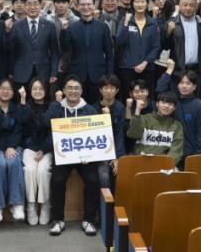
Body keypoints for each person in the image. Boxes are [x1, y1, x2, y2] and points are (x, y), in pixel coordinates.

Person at [45, 75, 99, 237]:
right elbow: (43, 124)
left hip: (85, 157)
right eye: (70, 88)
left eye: (76, 88)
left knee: (92, 180)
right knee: (57, 180)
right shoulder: (56, 107)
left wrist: (91, 154)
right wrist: (55, 104)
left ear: (81, 91)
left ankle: (88, 220)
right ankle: (58, 220)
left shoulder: (90, 110)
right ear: (64, 90)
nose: (73, 91)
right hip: (63, 156)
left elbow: (97, 135)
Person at [60, 0, 114, 105]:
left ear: (94, 6)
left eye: (89, 4)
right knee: (78, 106)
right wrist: (63, 31)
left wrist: (108, 75)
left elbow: (109, 53)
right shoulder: (71, 28)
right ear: (77, 7)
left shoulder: (103, 27)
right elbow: (65, 49)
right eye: (83, 4)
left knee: (98, 107)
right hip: (77, 75)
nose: (86, 7)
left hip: (99, 75)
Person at [0, 79, 25, 222]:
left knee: (14, 162)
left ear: (13, 92)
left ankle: (17, 204)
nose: (5, 91)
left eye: (9, 89)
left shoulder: (16, 108)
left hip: (13, 146)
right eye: (2, 88)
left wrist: (11, 146)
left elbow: (19, 129)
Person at [157, 59, 201, 162]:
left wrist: (195, 159)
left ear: (194, 87)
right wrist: (169, 70)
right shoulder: (173, 102)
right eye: (181, 83)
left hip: (190, 156)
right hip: (170, 152)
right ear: (177, 85)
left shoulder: (200, 106)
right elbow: (159, 90)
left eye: (188, 83)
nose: (184, 86)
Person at [7, 0, 59, 90]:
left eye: (35, 4)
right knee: (22, 98)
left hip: (43, 71)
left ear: (40, 6)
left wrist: (53, 72)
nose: (32, 7)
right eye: (29, 4)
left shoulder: (50, 26)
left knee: (42, 98)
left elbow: (54, 52)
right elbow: (12, 51)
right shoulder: (16, 25)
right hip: (21, 72)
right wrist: (11, 71)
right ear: (24, 6)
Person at [19, 78, 53, 226]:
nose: (38, 91)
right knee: (30, 170)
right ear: (30, 91)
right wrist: (22, 100)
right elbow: (22, 121)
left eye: (41, 88)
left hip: (47, 147)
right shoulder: (25, 105)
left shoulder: (52, 106)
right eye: (34, 88)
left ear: (46, 90)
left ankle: (45, 205)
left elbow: (54, 130)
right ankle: (31, 206)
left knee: (43, 170)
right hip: (30, 146)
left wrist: (44, 149)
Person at [117, 0, 161, 99]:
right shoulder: (125, 20)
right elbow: (119, 41)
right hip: (128, 67)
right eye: (137, 2)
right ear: (132, 4)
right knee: (128, 98)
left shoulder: (153, 23)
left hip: (148, 68)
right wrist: (126, 23)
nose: (140, 4)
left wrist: (145, 63)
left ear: (147, 3)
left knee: (146, 99)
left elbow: (156, 47)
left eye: (142, 2)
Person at [165, 0, 201, 85]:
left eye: (191, 5)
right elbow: (164, 47)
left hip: (198, 72)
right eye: (185, 5)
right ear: (179, 6)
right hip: (178, 72)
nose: (188, 8)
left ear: (196, 6)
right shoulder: (171, 24)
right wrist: (168, 33)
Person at [126, 91, 184, 165]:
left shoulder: (176, 126)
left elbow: (176, 151)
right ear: (157, 104)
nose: (166, 106)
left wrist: (167, 165)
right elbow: (132, 135)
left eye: (170, 104)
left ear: (174, 108)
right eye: (163, 102)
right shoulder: (144, 119)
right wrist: (137, 111)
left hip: (163, 165)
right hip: (140, 162)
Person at [93, 75, 126, 189]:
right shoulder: (93, 108)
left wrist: (117, 157)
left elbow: (120, 134)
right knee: (104, 174)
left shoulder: (120, 108)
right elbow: (95, 134)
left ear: (117, 90)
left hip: (116, 149)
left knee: (122, 173)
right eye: (105, 88)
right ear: (100, 90)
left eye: (112, 88)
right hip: (100, 151)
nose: (108, 91)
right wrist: (105, 119)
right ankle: (105, 201)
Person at [47, 0, 80, 94]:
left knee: (72, 93)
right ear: (54, 3)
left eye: (64, 2)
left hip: (71, 64)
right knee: (54, 95)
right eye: (58, 2)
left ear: (69, 3)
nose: (61, 5)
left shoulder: (76, 20)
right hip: (53, 64)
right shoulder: (48, 19)